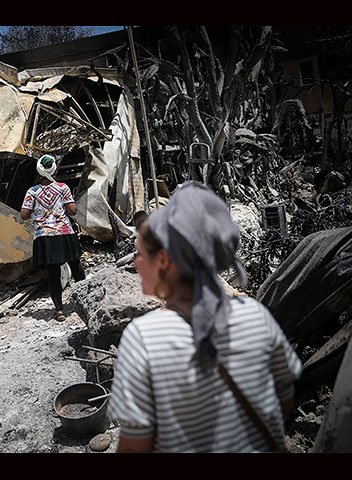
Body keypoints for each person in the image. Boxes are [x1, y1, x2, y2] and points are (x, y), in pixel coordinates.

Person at [107, 181, 302, 453]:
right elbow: (284, 399)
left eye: (140, 255)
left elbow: (134, 449)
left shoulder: (143, 338)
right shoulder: (257, 315)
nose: (135, 263)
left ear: (164, 261)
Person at [21, 154, 86, 321]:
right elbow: (72, 211)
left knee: (53, 272)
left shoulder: (32, 192)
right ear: (54, 170)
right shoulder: (63, 188)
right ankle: (86, 298)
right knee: (75, 265)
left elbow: (24, 215)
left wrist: (39, 210)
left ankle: (59, 310)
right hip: (64, 232)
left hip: (44, 236)